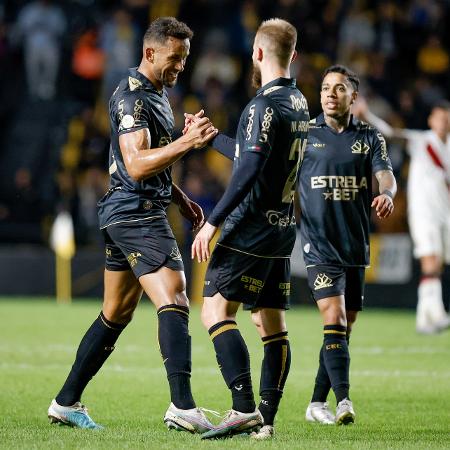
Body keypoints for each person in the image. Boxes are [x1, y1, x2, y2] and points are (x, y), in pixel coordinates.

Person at [47, 17, 217, 432]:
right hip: (136, 212)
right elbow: (137, 165)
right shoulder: (132, 99)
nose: (180, 67)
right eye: (174, 58)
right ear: (150, 52)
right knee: (175, 298)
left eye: (184, 59)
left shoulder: (157, 95)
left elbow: (148, 161)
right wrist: (188, 142)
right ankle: (182, 406)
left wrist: (180, 198)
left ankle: (66, 401)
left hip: (131, 209)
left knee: (116, 311)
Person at [187, 18, 309, 440]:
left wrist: (213, 222)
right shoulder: (298, 103)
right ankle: (267, 420)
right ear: (292, 56)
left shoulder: (261, 106)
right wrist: (213, 138)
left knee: (215, 311)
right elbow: (252, 152)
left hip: (251, 227)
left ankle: (242, 409)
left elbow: (249, 169)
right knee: (270, 324)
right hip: (281, 228)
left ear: (257, 54)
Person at [299, 65, 396, 425]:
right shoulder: (305, 134)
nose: (329, 93)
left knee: (343, 326)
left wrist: (386, 193)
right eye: (325, 87)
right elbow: (259, 159)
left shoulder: (370, 137)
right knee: (334, 317)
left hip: (354, 245)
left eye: (339, 88)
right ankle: (343, 402)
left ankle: (315, 403)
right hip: (318, 245)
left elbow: (386, 175)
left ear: (353, 97)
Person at [355, 99, 450, 334]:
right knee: (431, 261)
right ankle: (436, 313)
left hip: (446, 214)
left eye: (446, 118)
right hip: (423, 213)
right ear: (431, 120)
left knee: (437, 267)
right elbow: (390, 133)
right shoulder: (421, 141)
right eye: (439, 117)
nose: (443, 122)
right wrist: (367, 114)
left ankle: (423, 319)